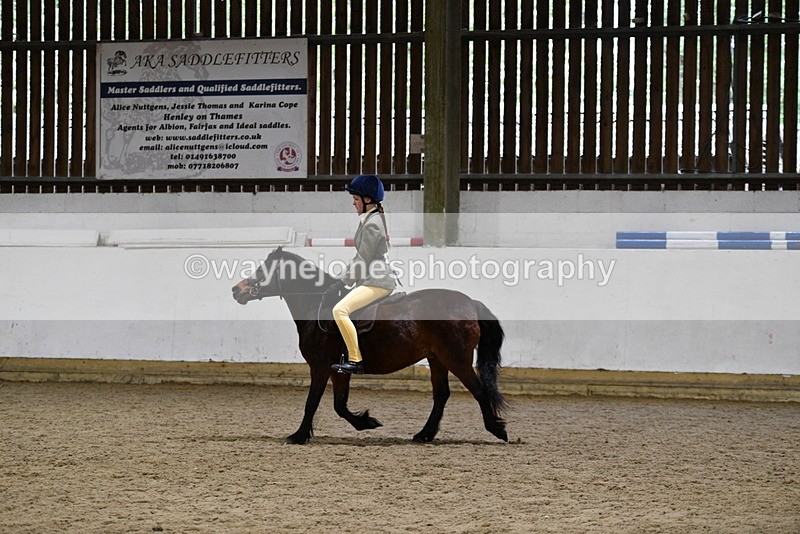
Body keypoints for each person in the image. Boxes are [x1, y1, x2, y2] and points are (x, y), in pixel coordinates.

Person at [330, 174, 396, 375]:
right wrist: (342, 279)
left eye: (356, 199)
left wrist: (343, 282)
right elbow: (359, 257)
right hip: (370, 278)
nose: (353, 203)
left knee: (339, 310)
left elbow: (363, 258)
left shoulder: (372, 223)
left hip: (377, 280)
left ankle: (355, 359)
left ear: (367, 200)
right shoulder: (370, 219)